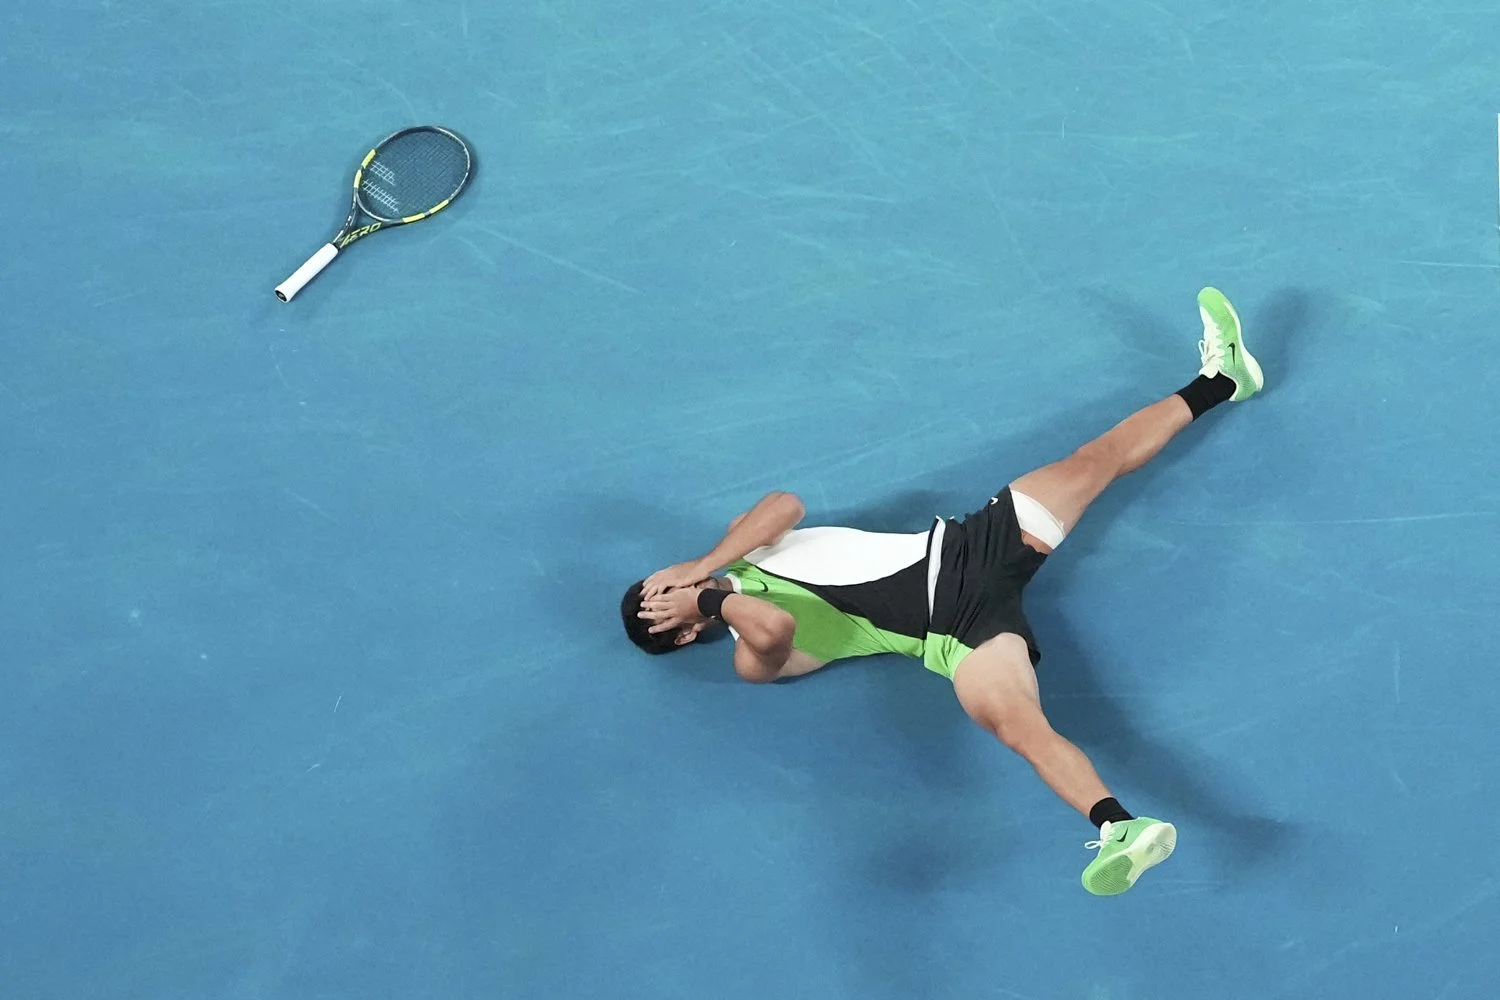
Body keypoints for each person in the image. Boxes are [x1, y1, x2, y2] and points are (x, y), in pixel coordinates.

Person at [619, 288, 1264, 895]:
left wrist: (708, 564)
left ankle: (1224, 379)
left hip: (966, 547)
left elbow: (785, 504)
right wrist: (708, 599)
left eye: (660, 579)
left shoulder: (739, 544)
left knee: (1099, 457)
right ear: (682, 631)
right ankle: (1119, 826)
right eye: (663, 598)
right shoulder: (746, 654)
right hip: (955, 636)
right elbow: (773, 631)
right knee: (1019, 726)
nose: (672, 580)